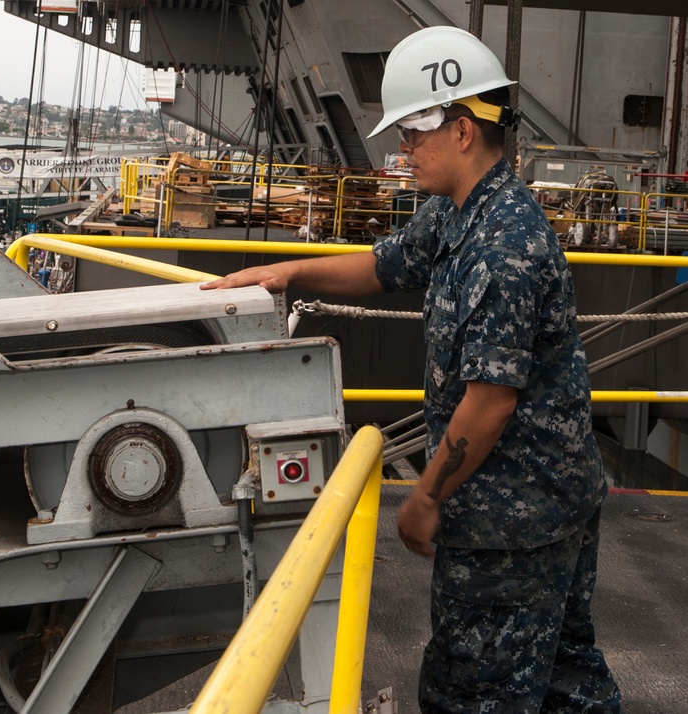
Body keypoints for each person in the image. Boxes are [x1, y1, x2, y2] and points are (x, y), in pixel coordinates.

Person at [202, 25, 621, 714]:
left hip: (511, 520)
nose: (402, 149)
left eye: (411, 135)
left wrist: (425, 496)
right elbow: (380, 265)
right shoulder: (457, 212)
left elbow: (488, 402)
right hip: (551, 499)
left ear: (460, 131)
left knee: (472, 689)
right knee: (562, 680)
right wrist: (286, 272)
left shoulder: (502, 243)